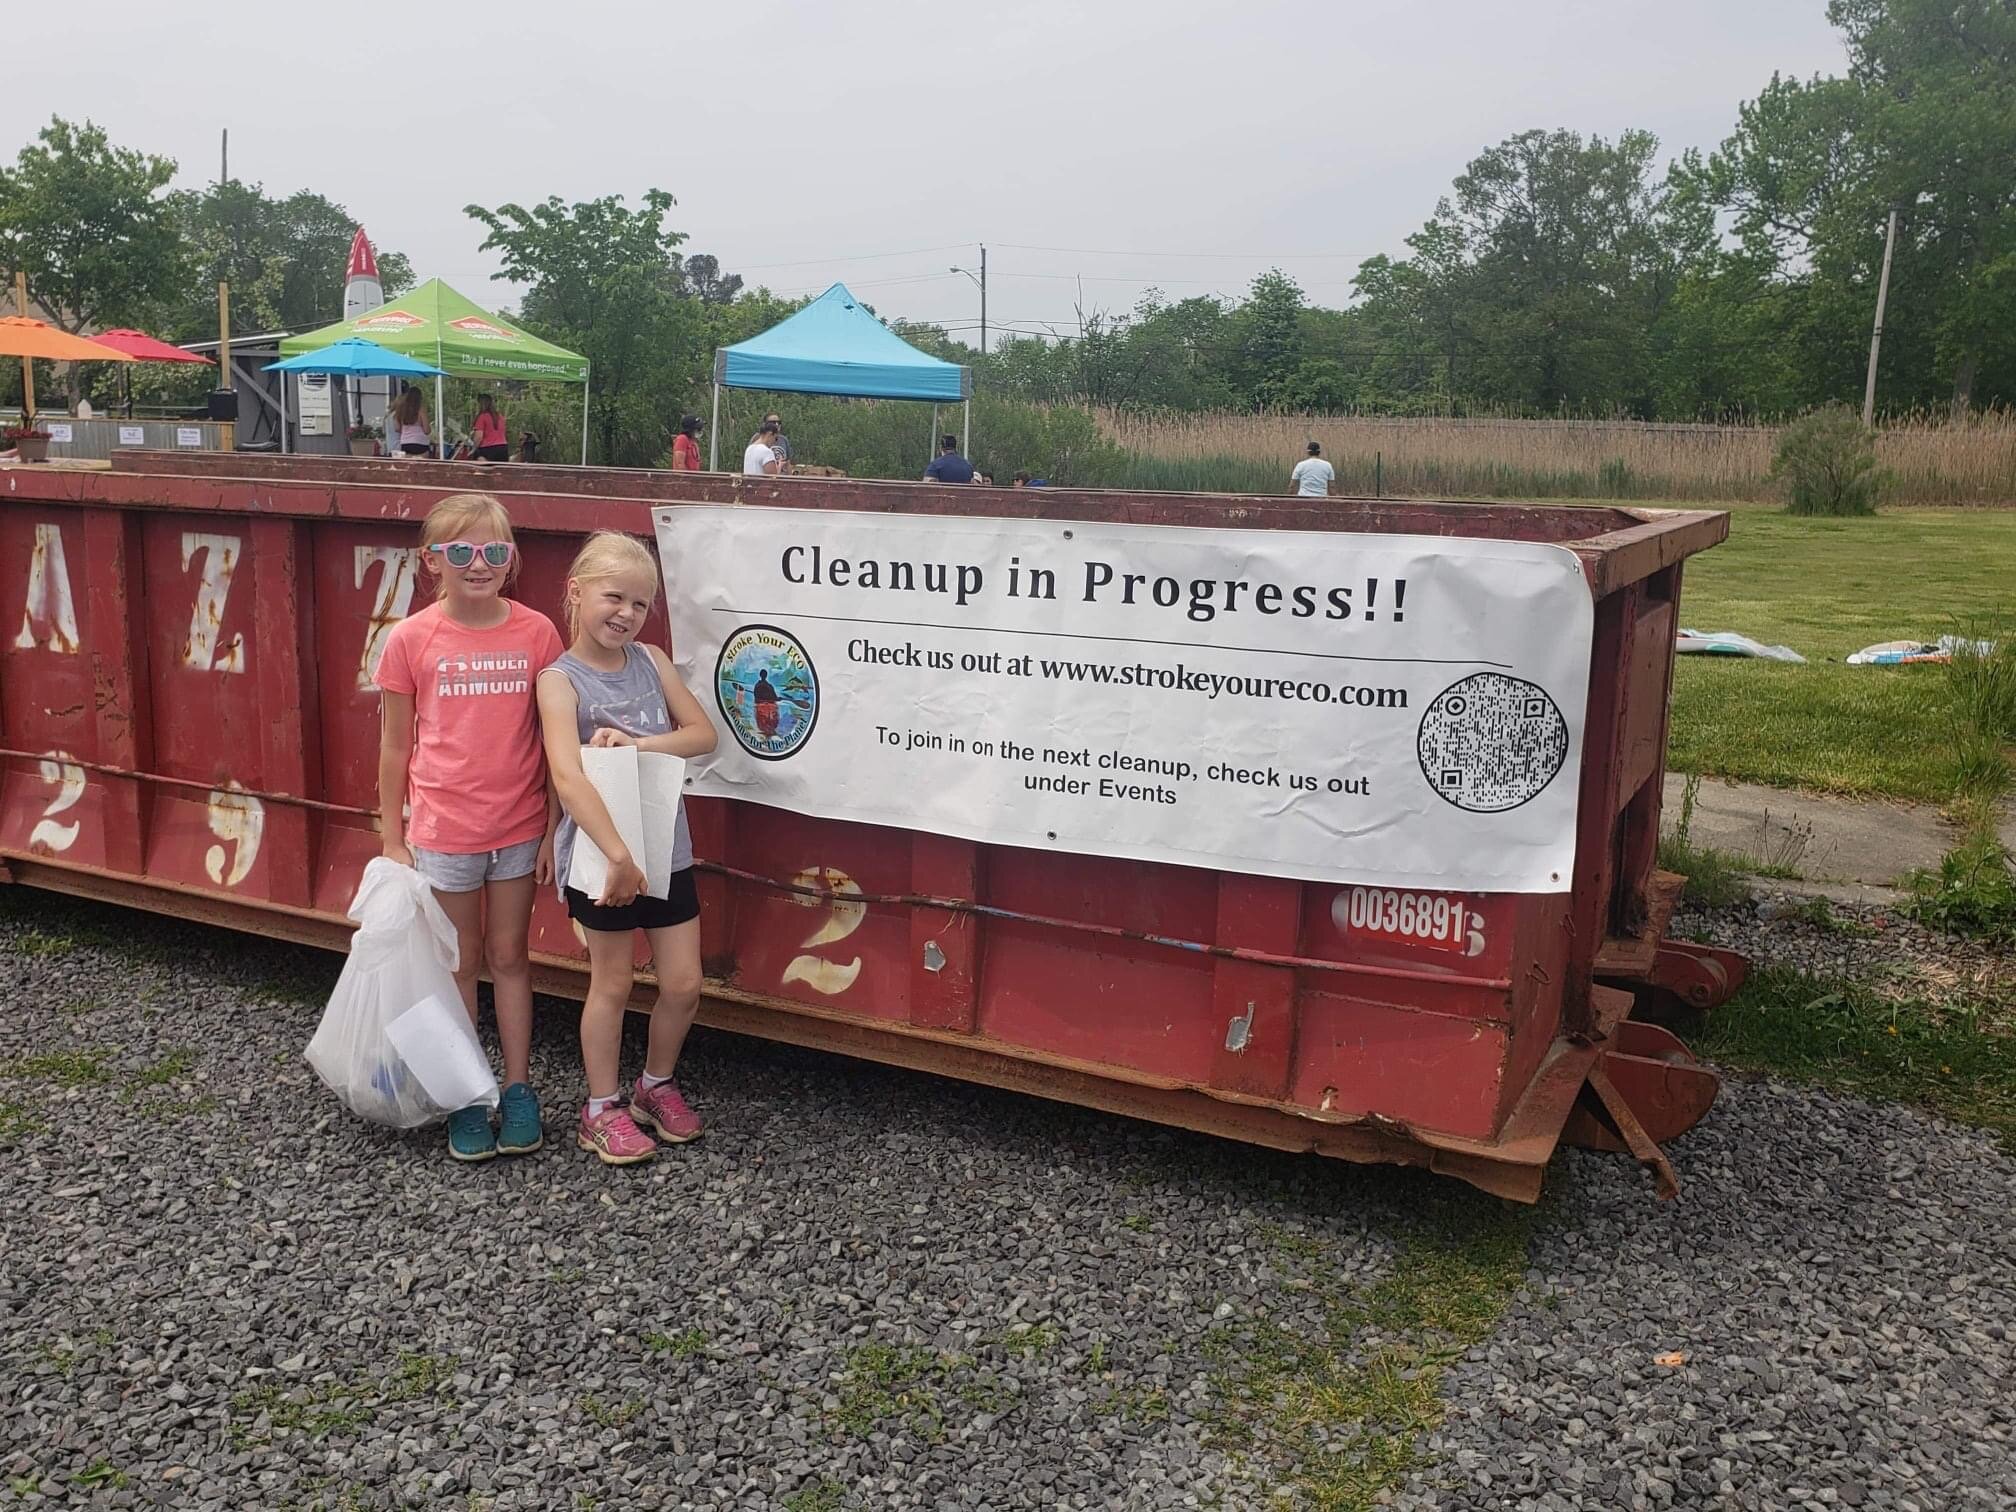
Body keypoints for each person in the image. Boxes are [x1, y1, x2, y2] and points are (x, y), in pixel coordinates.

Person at [375, 493, 565, 1163]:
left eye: (491, 551)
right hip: (444, 829)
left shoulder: (538, 633)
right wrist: (392, 836)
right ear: (432, 562)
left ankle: (517, 1088)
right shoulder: (410, 639)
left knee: (511, 958)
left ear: (511, 560)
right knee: (458, 964)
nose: (476, 564)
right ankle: (465, 1094)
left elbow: (552, 739)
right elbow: (396, 745)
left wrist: (552, 827)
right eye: (460, 552)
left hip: (518, 827)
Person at [537, 531, 719, 1164]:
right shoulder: (559, 682)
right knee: (611, 983)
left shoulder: (653, 662)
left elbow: (702, 735)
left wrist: (640, 744)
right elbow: (567, 776)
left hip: (666, 850)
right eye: (614, 597)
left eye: (641, 604)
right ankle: (600, 1108)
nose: (626, 614)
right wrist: (617, 856)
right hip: (604, 858)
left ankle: (655, 1085)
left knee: (684, 982)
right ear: (577, 593)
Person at [391, 387, 433, 457]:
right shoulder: (421, 409)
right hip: (420, 443)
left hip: (405, 443)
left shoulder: (402, 409)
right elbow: (427, 431)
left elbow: (397, 428)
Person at [471, 395, 508, 462]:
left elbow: (479, 437)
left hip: (488, 449)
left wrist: (473, 449)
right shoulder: (500, 417)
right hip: (503, 448)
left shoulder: (482, 417)